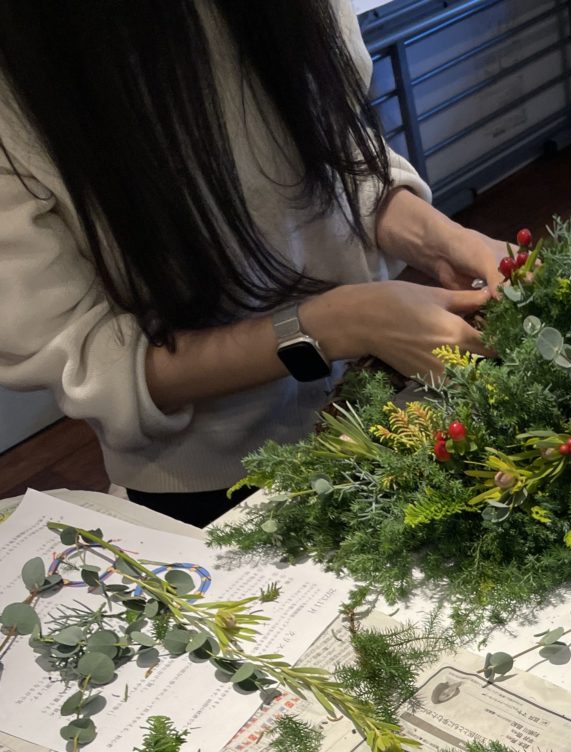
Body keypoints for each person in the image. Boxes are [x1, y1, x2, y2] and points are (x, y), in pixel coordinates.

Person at [0, 0, 504, 526]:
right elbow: (90, 363)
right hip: (220, 485)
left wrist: (443, 238)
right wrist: (336, 325)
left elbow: (332, 149)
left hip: (377, 399)